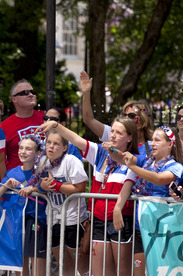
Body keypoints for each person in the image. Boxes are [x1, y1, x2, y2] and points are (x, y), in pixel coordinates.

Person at [37, 117, 140, 276]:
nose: (112, 135)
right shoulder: (100, 153)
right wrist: (57, 125)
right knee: (100, 272)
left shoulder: (135, 159)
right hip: (98, 220)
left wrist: (112, 152)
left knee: (122, 271)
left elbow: (126, 162)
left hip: (120, 220)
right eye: (112, 131)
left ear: (130, 137)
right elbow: (77, 140)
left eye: (118, 133)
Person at [114, 126, 183, 276]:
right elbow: (122, 157)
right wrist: (110, 149)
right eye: (152, 140)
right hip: (142, 227)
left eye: (157, 140)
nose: (152, 143)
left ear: (170, 144)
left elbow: (159, 179)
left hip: (164, 231)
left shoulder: (176, 166)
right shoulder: (146, 162)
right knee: (139, 272)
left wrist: (132, 166)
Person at [0, 134, 44, 276]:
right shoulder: (12, 173)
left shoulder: (42, 173)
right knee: (20, 264)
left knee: (38, 263)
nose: (23, 152)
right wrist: (6, 184)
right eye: (21, 148)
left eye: (28, 149)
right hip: (16, 222)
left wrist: (32, 189)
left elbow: (49, 191)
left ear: (38, 153)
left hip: (36, 221)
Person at [37, 129, 89, 276]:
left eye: (56, 144)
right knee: (64, 265)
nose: (51, 147)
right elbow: (38, 186)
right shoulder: (43, 162)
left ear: (65, 147)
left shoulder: (71, 161)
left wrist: (56, 185)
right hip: (54, 220)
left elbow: (80, 187)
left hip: (73, 220)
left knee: (81, 267)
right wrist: (42, 187)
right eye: (48, 143)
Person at [80, 71, 154, 156]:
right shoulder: (114, 134)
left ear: (143, 120)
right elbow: (88, 119)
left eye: (131, 115)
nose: (126, 118)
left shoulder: (153, 146)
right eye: (124, 115)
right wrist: (86, 93)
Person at [2, 79, 44, 170]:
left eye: (32, 92)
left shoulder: (45, 118)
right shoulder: (5, 126)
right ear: (14, 99)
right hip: (21, 181)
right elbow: (0, 159)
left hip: (48, 177)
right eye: (25, 92)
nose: (31, 95)